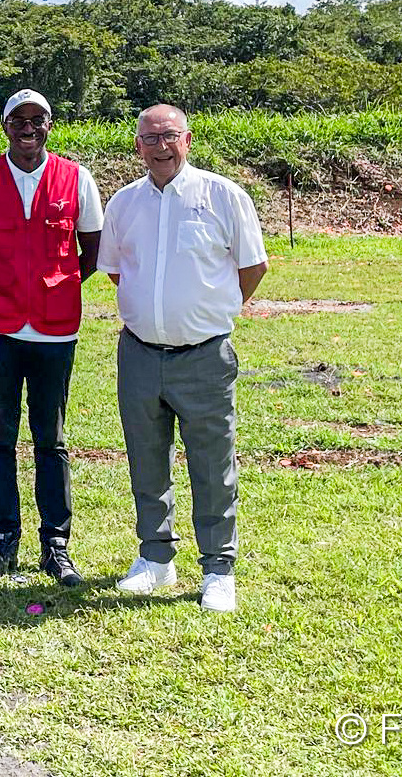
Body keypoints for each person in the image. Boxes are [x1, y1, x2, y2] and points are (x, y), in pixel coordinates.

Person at [99, 104, 268, 612]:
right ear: (137, 146)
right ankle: (155, 558)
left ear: (187, 140)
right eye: (150, 138)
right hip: (140, 355)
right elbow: (117, 271)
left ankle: (218, 568)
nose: (161, 146)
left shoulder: (224, 196)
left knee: (212, 464)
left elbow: (252, 268)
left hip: (204, 357)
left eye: (169, 136)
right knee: (146, 458)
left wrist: (207, 311)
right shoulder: (124, 203)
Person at [0, 89, 102, 587]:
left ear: (49, 125)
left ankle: (56, 544)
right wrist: (4, 289)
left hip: (54, 329)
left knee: (51, 438)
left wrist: (54, 286)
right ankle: (3, 540)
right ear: (4, 126)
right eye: (17, 119)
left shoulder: (76, 178)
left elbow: (91, 250)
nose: (27, 127)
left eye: (37, 119)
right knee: (0, 437)